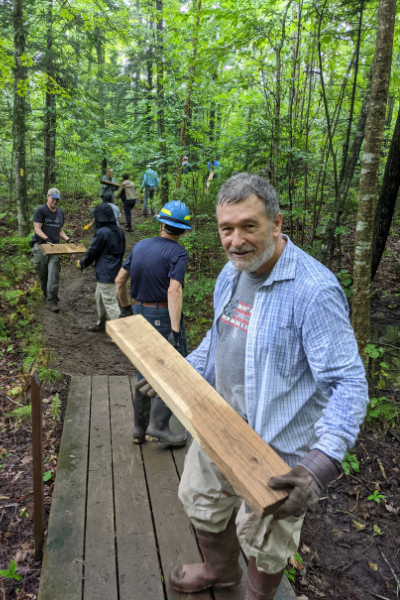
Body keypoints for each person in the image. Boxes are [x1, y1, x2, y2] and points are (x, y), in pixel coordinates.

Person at [137, 173, 369, 599]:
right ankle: (221, 571)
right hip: (218, 422)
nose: (236, 240)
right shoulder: (231, 274)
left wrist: (321, 464)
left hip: (275, 448)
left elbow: (348, 383)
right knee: (201, 500)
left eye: (249, 226)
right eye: (227, 228)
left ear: (277, 223)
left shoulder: (313, 292)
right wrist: (179, 372)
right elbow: (218, 338)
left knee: (266, 544)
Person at [115, 200, 192, 446]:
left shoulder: (140, 246)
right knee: (174, 371)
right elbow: (174, 291)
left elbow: (119, 280)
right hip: (161, 318)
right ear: (182, 230)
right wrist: (175, 331)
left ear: (161, 224)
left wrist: (127, 309)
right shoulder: (178, 253)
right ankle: (158, 426)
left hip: (138, 312)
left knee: (143, 369)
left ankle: (139, 429)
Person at [77, 203, 125, 331]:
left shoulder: (102, 232)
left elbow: (93, 251)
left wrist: (82, 264)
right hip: (115, 271)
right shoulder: (119, 232)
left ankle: (119, 333)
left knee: (110, 303)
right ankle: (102, 323)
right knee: (100, 298)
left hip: (106, 273)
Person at [32, 187, 72, 313]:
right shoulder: (41, 210)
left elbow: (59, 229)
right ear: (48, 197)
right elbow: (37, 229)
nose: (55, 201)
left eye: (57, 199)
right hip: (41, 246)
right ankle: (46, 294)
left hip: (55, 247)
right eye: (53, 198)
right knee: (43, 275)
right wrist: (46, 238)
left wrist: (67, 239)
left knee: (53, 275)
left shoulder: (60, 213)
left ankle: (52, 301)